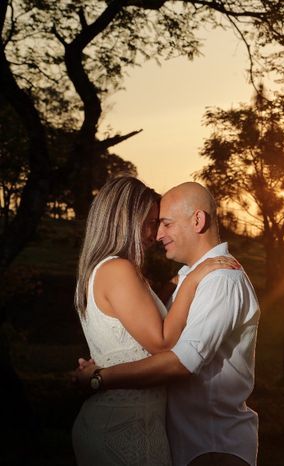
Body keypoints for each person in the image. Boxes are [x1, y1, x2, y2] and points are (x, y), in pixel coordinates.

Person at [76, 181, 260, 466]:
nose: (158, 234)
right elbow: (160, 334)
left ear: (197, 220)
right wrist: (184, 283)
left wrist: (100, 377)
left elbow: (180, 360)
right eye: (153, 223)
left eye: (164, 223)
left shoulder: (220, 279)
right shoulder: (189, 276)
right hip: (162, 434)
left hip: (210, 442)